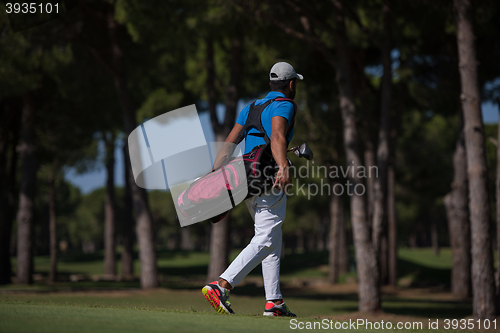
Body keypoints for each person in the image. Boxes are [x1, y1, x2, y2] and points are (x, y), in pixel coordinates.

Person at [202, 62, 303, 317]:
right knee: (266, 239)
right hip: (269, 179)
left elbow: (230, 141)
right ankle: (221, 285)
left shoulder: (251, 107)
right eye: (296, 83)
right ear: (291, 84)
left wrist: (214, 174)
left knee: (271, 240)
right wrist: (283, 166)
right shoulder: (285, 104)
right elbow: (278, 136)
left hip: (246, 182)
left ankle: (275, 302)